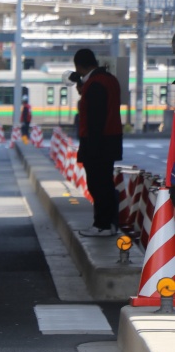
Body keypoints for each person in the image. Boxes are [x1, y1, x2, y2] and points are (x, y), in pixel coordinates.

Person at [74, 48, 123, 237]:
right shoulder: (110, 80)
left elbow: (95, 120)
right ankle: (110, 224)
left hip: (98, 143)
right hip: (111, 140)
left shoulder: (95, 85)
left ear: (78, 66)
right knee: (106, 183)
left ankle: (101, 225)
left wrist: (91, 149)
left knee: (97, 184)